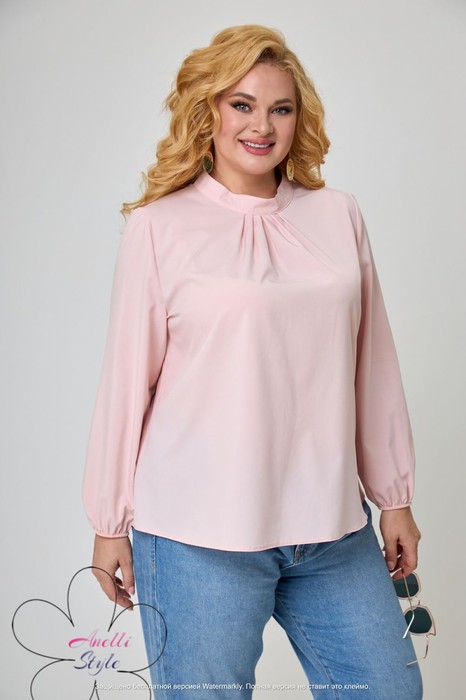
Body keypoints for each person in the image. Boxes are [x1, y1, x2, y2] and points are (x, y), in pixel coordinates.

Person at [82, 24, 423, 699]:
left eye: (280, 108)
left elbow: (373, 364)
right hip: (197, 534)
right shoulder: (160, 227)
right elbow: (126, 382)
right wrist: (109, 522)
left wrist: (395, 498)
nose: (262, 126)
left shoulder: (338, 216)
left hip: (330, 528)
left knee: (389, 689)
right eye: (242, 104)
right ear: (207, 110)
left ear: (300, 117)